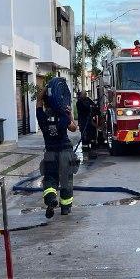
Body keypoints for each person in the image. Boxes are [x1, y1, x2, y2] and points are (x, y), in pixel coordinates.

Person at [36, 88, 79, 218]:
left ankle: (51, 200)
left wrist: (45, 91)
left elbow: (38, 101)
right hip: (65, 152)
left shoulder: (42, 117)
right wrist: (69, 113)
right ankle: (65, 208)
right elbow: (73, 128)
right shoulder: (62, 115)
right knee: (66, 180)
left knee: (50, 179)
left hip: (50, 153)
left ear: (46, 104)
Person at [75, 91, 97, 156]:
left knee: (92, 132)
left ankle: (92, 146)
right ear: (81, 95)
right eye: (84, 94)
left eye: (85, 94)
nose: (85, 95)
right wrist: (90, 107)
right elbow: (85, 108)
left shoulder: (88, 99)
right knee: (84, 134)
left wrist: (92, 107)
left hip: (89, 120)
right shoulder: (79, 102)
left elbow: (93, 106)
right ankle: (85, 149)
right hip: (83, 120)